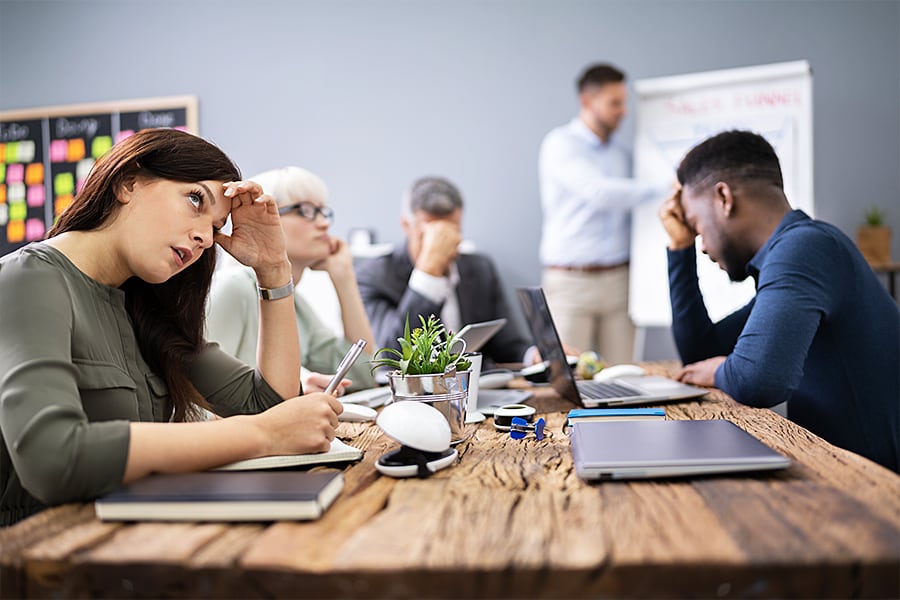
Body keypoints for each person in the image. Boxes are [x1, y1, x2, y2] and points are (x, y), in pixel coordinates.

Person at [0, 129, 344, 526]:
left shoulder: (145, 304)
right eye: (195, 200)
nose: (203, 238)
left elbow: (273, 405)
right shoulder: (27, 279)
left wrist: (273, 269)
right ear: (128, 182)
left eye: (215, 229)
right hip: (39, 560)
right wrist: (262, 434)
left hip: (132, 545)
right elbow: (52, 458)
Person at [659, 130, 899, 472]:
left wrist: (718, 369)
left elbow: (758, 381)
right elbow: (700, 353)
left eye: (696, 227)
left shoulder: (805, 248)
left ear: (723, 197)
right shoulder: (795, 255)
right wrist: (679, 248)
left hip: (879, 489)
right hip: (838, 472)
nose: (703, 246)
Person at [538, 63, 667, 364]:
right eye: (614, 103)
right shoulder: (560, 145)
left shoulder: (622, 154)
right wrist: (666, 187)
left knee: (623, 376)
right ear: (587, 101)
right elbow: (599, 193)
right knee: (565, 376)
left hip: (619, 281)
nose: (623, 111)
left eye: (624, 102)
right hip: (571, 282)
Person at [206, 166, 376, 393]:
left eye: (322, 211)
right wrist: (296, 389)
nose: (324, 224)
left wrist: (344, 278)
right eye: (304, 210)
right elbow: (200, 399)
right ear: (265, 218)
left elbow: (363, 373)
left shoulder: (295, 303)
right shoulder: (233, 287)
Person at [355, 176, 536, 368]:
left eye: (450, 232)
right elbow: (391, 358)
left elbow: (508, 345)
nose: (442, 242)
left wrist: (532, 355)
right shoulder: (374, 276)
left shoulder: (480, 268)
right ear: (406, 225)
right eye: (431, 234)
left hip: (479, 386)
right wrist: (428, 273)